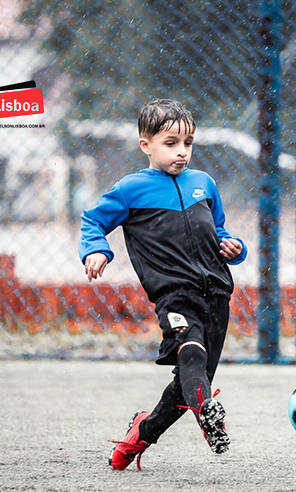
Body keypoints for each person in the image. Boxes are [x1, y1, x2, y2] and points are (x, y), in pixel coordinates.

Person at [79, 99, 248, 470]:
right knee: (190, 355)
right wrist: (96, 251)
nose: (182, 152)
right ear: (146, 145)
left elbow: (219, 230)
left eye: (188, 143)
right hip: (175, 295)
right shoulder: (131, 190)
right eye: (171, 143)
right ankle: (207, 413)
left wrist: (234, 248)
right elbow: (92, 222)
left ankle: (142, 432)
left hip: (217, 294)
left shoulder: (204, 183)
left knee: (188, 383)